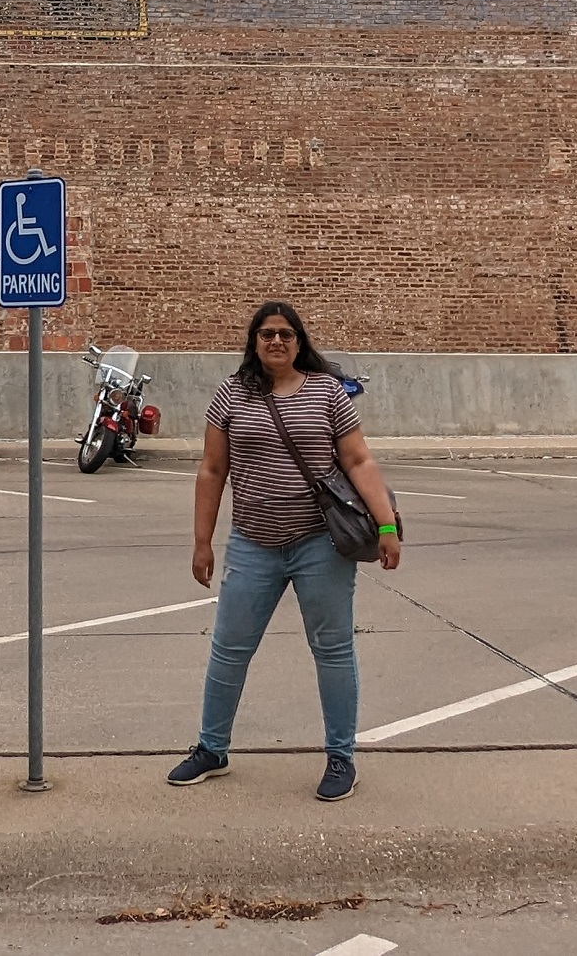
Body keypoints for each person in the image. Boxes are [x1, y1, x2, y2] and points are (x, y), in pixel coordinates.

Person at [169, 301, 400, 803]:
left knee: (333, 651)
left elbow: (359, 460)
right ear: (254, 342)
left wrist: (386, 525)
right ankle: (212, 749)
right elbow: (212, 471)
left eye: (286, 335)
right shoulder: (230, 396)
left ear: (299, 342)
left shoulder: (327, 392)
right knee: (229, 649)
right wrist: (202, 542)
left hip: (321, 545)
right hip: (253, 545)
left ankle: (341, 757)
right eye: (267, 334)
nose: (276, 342)